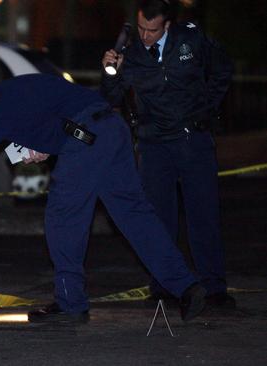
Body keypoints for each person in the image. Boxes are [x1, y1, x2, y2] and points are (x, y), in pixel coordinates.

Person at [0, 74, 207, 323]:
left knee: (62, 218)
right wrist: (49, 145)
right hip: (113, 129)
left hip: (87, 141)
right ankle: (187, 286)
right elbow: (60, 112)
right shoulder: (17, 91)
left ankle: (71, 304)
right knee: (135, 215)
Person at [100, 0, 234, 308]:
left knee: (204, 214)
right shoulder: (130, 53)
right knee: (159, 218)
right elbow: (110, 98)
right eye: (142, 28)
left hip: (193, 140)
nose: (146, 36)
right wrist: (110, 73)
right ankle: (164, 284)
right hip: (153, 144)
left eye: (153, 30)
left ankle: (213, 287)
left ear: (167, 25)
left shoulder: (191, 38)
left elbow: (222, 69)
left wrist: (208, 108)